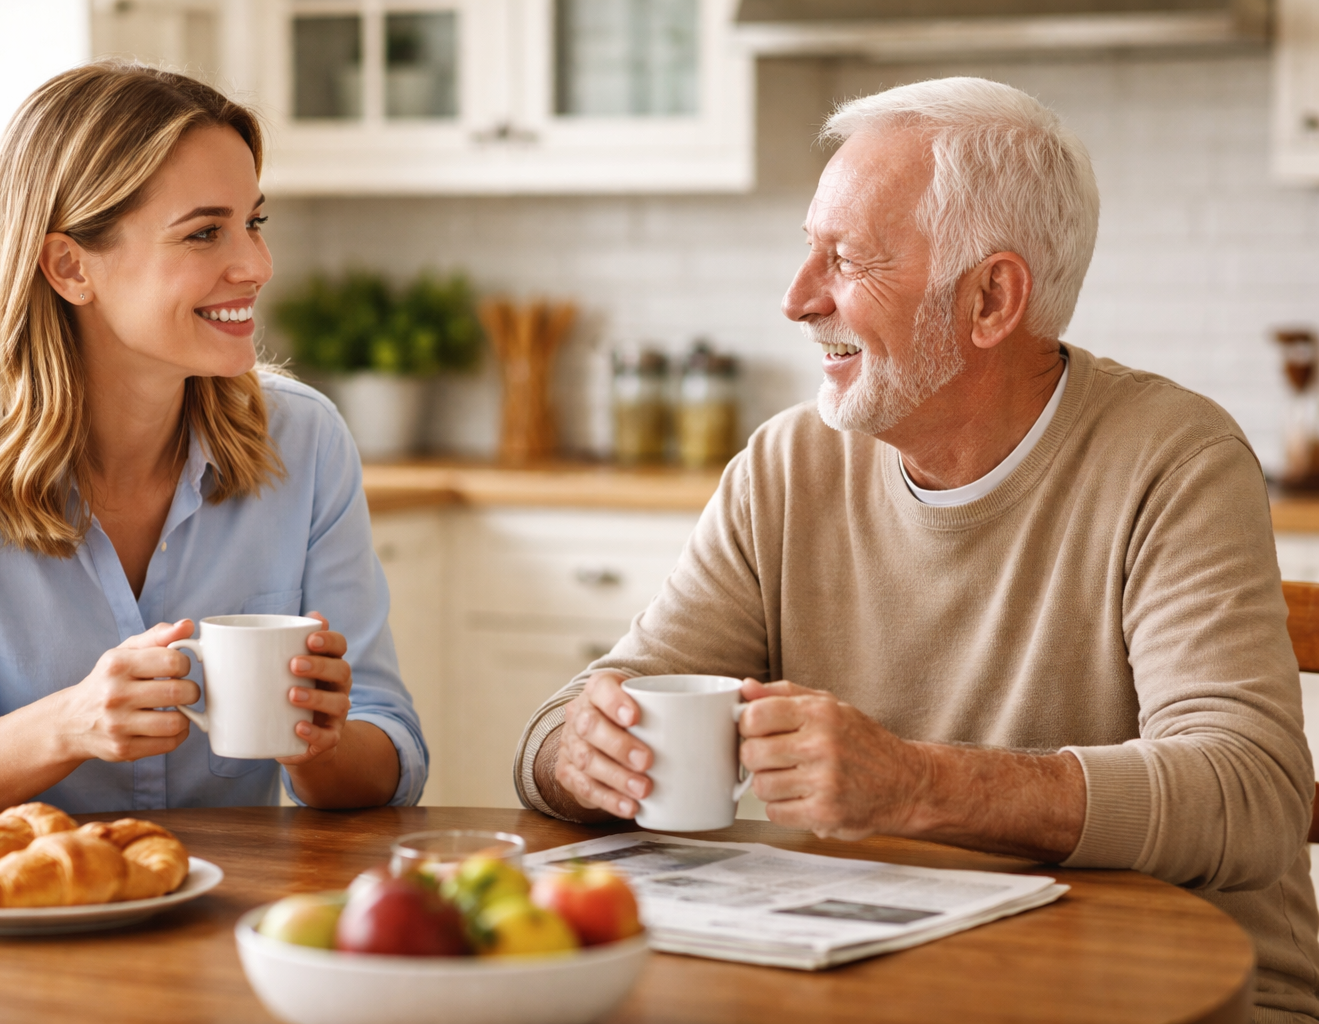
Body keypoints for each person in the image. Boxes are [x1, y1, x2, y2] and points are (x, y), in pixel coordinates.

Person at [514, 77, 1319, 1022]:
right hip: (887, 984)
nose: (796, 299)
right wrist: (581, 753)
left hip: (1179, 992)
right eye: (805, 250)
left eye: (846, 259)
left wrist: (916, 784)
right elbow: (565, 726)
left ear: (990, 297)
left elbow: (1251, 792)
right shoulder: (786, 465)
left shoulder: (1173, 458)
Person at [0, 62, 426, 832]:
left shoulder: (304, 440)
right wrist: (69, 725)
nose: (256, 265)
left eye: (254, 222)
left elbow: (391, 755)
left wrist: (316, 743)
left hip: (231, 924)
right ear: (70, 266)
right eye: (205, 232)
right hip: (9, 919)